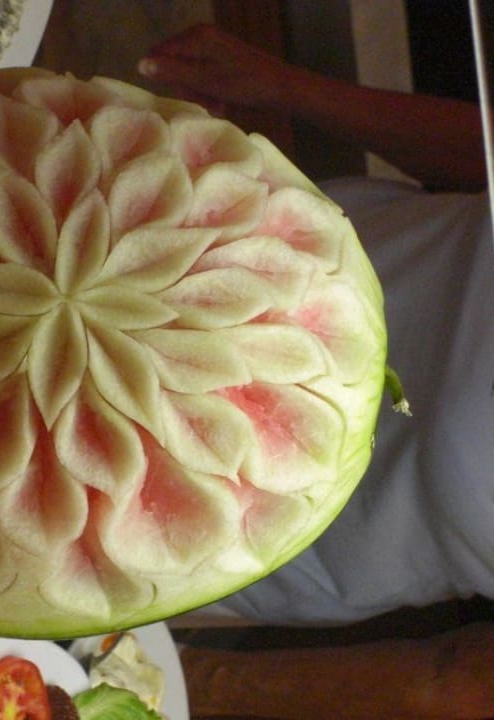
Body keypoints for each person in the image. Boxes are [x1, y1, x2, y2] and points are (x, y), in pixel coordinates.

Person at [136, 23, 494, 718]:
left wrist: (178, 680)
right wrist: (287, 88)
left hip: (218, 522)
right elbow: (483, 156)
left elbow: (463, 681)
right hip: (222, 266)